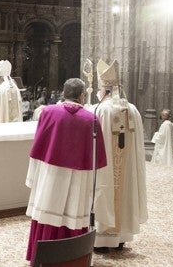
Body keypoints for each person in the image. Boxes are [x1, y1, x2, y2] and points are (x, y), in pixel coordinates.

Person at [25, 78, 107, 263]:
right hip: (79, 177)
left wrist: (33, 177)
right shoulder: (91, 119)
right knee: (74, 214)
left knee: (47, 210)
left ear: (63, 93)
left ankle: (41, 257)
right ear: (81, 95)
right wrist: (97, 187)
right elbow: (97, 159)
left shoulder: (48, 112)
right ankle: (73, 258)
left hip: (50, 175)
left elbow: (38, 146)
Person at [90, 59, 147, 253]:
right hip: (126, 168)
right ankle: (121, 237)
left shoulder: (100, 110)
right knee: (124, 190)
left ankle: (102, 241)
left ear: (103, 90)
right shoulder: (133, 110)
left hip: (105, 167)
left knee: (105, 190)